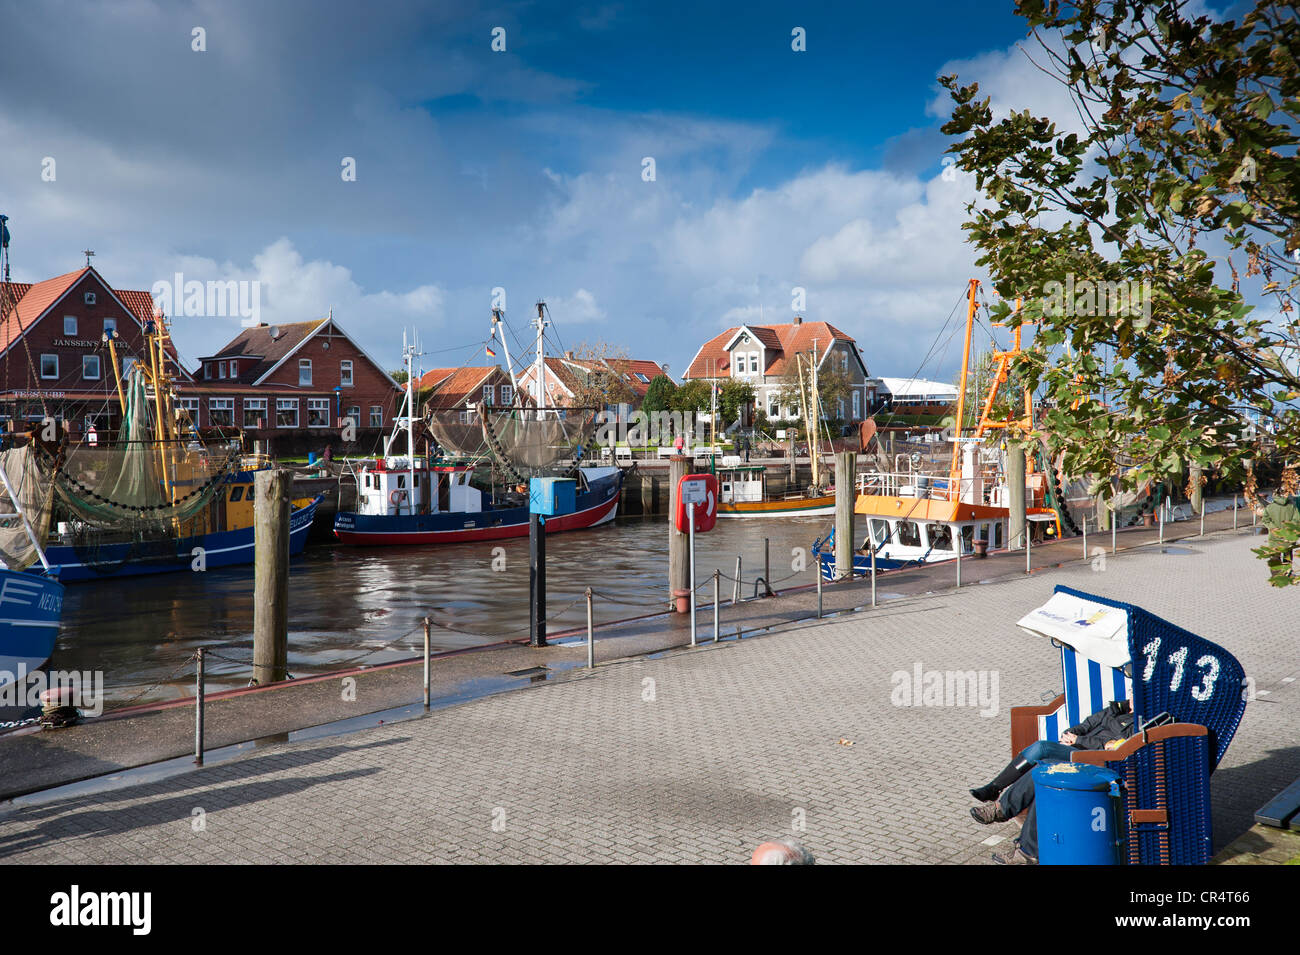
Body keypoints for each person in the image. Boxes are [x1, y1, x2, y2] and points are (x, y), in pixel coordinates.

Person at [969, 700, 1134, 865]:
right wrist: (1069, 735)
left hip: (1091, 758)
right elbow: (1086, 724)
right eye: (1131, 691)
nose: (1131, 695)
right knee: (1044, 769)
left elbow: (1114, 749)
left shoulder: (1137, 724)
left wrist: (1079, 739)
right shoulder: (1115, 709)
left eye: (1134, 692)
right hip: (1075, 746)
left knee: (1042, 749)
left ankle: (999, 802)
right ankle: (1026, 849)